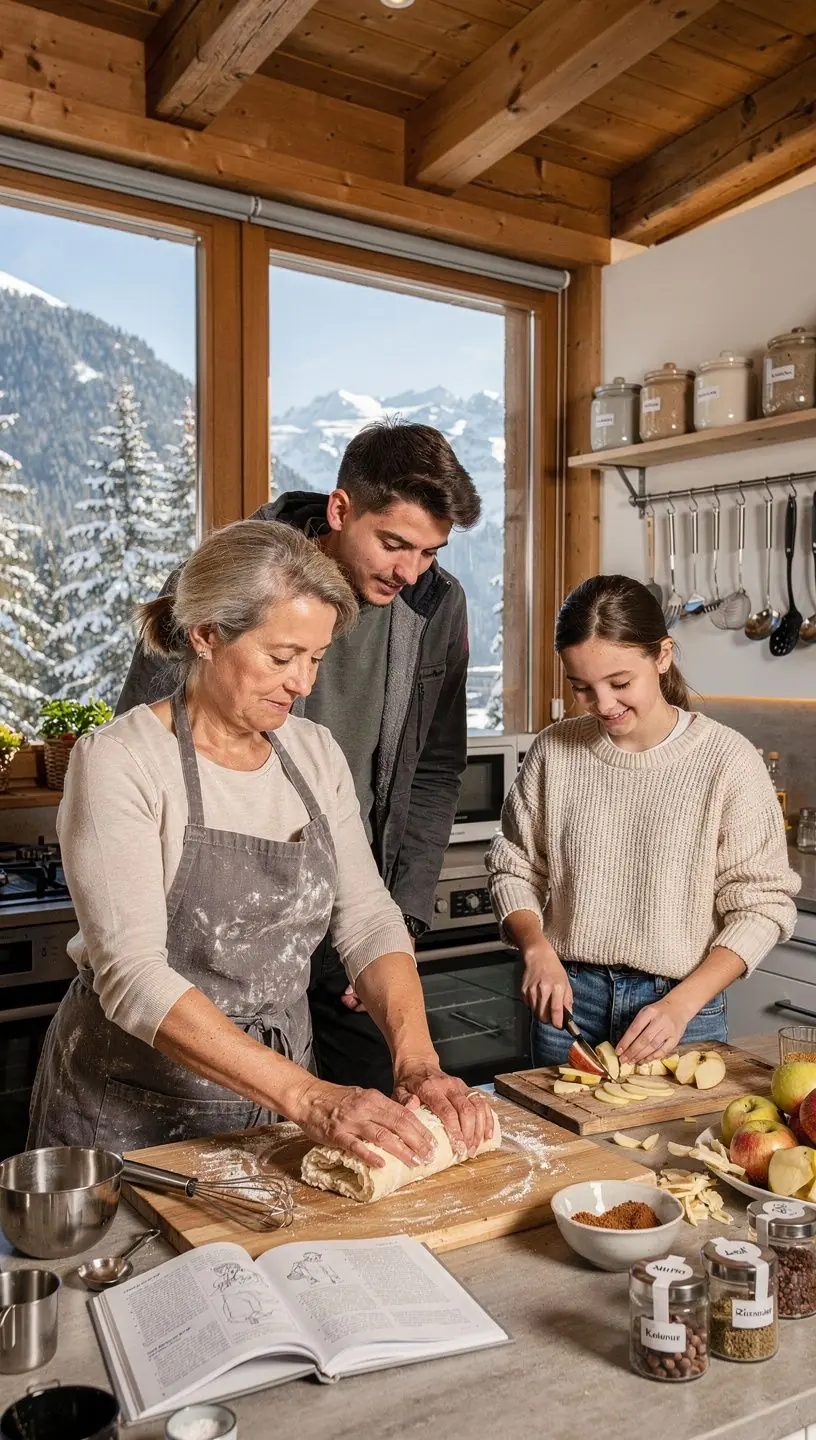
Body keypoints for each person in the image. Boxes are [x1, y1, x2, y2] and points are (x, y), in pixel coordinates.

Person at [29, 521, 493, 1163]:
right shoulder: (122, 760)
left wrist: (416, 1061)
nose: (302, 684)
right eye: (281, 658)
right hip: (131, 1111)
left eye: (316, 659)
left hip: (275, 1105)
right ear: (207, 635)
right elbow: (132, 976)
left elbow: (367, 920)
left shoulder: (313, 754)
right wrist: (310, 1099)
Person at [117, 420, 481, 1095]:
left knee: (371, 1124)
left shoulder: (438, 606)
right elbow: (147, 742)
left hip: (350, 906)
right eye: (395, 543)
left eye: (431, 552)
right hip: (215, 922)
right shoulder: (237, 577)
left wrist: (393, 923)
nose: (411, 572)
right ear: (341, 510)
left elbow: (434, 767)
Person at [486, 574, 800, 1068]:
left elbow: (762, 908)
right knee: (558, 1143)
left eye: (620, 683)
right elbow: (515, 869)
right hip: (568, 1000)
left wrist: (682, 1003)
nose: (603, 704)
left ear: (663, 656)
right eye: (582, 688)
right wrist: (536, 947)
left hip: (683, 1006)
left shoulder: (728, 761)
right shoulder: (555, 751)